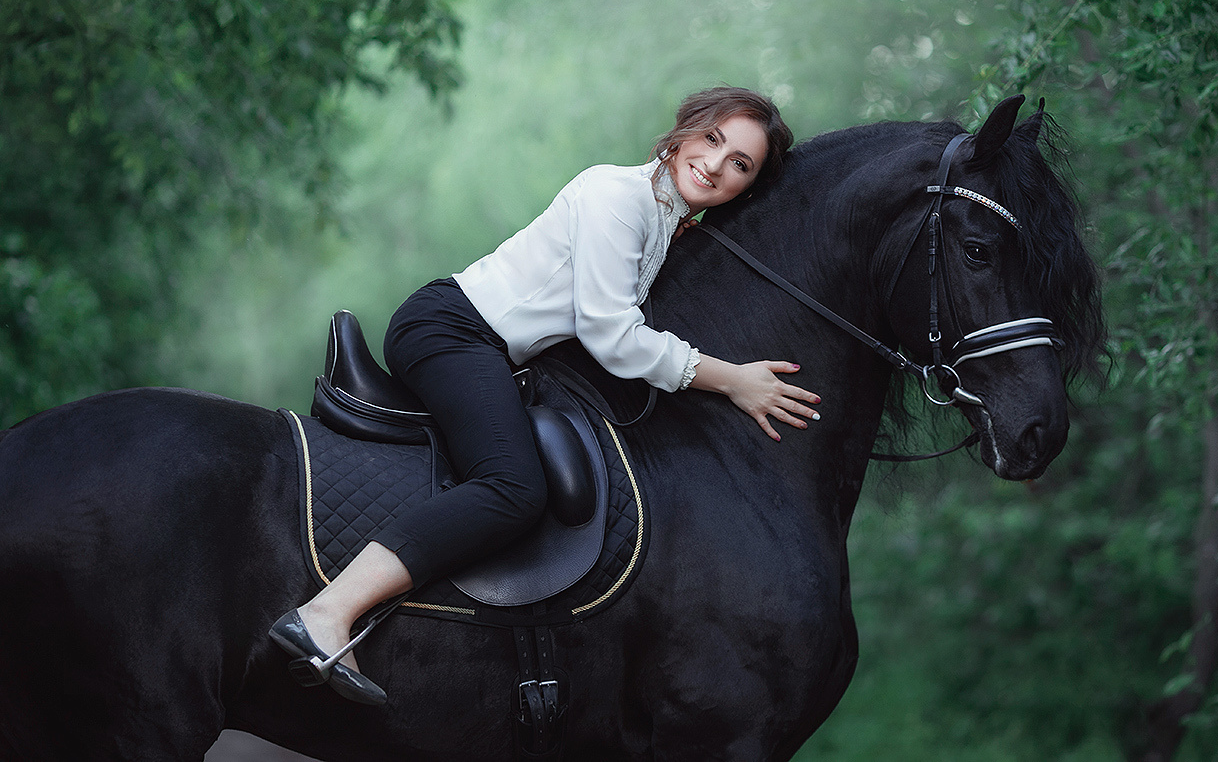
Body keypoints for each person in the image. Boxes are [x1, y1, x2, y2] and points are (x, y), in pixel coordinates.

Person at [269, 86, 820, 705]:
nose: (715, 164)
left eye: (740, 163)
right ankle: (326, 612)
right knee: (513, 488)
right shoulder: (619, 196)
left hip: (487, 345)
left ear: (747, 187)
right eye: (712, 138)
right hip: (451, 329)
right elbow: (612, 335)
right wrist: (731, 378)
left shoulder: (664, 218)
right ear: (685, 129)